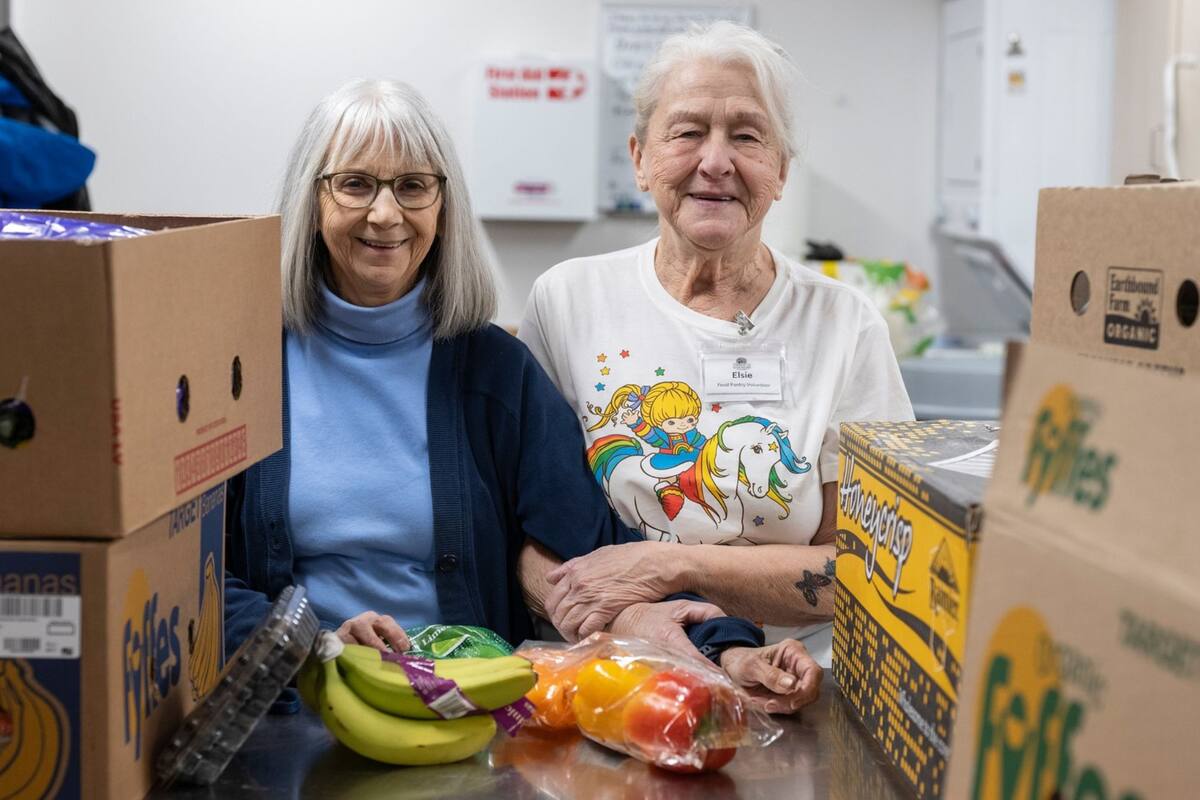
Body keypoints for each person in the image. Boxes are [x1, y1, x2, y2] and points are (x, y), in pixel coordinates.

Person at [222, 79, 821, 714]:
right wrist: (313, 647)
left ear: (444, 205)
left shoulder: (493, 371)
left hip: (468, 717)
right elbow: (194, 575)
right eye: (355, 184)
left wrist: (728, 650)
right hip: (286, 712)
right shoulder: (242, 368)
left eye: (413, 186)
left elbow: (592, 546)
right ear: (311, 199)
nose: (386, 214)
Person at [518, 22, 914, 667]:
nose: (716, 161)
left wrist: (666, 563)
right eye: (688, 131)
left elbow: (868, 565)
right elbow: (526, 528)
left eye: (748, 136)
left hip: (791, 681)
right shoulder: (567, 301)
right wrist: (632, 618)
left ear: (781, 171)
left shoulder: (845, 325)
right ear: (640, 158)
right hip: (606, 674)